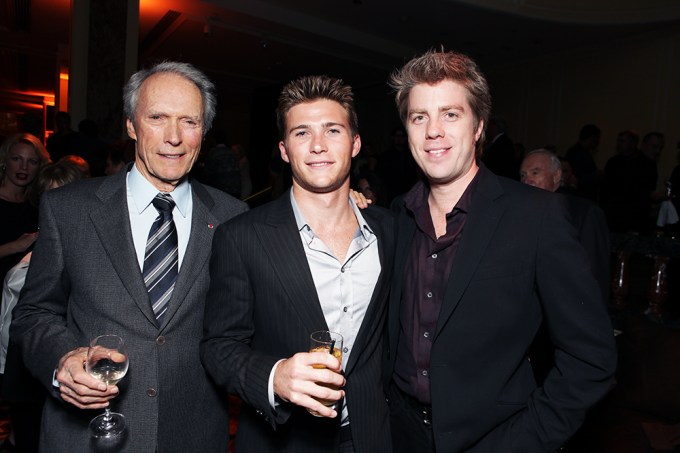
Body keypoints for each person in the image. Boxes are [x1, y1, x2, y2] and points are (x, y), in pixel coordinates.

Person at [384, 50, 616, 453]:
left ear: (478, 127)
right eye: (419, 117)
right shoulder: (397, 216)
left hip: (495, 438)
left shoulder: (535, 217)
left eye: (451, 114)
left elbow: (591, 359)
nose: (432, 131)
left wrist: (523, 441)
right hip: (398, 434)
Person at [11, 61, 248, 452]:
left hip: (191, 435)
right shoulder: (69, 209)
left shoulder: (232, 218)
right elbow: (34, 313)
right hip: (84, 435)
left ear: (203, 133)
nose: (174, 137)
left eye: (189, 121)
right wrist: (61, 361)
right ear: (132, 125)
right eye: (157, 117)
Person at [201, 75, 394, 452]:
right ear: (285, 150)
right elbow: (219, 346)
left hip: (375, 437)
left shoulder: (391, 230)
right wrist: (274, 378)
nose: (318, 145)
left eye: (333, 130)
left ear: (355, 144)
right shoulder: (241, 236)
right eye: (302, 133)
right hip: (285, 441)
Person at [1, 161, 83, 453]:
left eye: (65, 195)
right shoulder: (29, 250)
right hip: (27, 367)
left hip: (75, 369)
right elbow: (14, 318)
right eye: (51, 197)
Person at [0, 133, 50, 283]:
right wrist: (15, 246)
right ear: (4, 162)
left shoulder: (38, 204)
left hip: (24, 292)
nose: (24, 167)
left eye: (32, 161)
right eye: (17, 159)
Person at [565, 124, 602, 201]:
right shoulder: (575, 153)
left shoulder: (582, 152)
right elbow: (578, 177)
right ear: (593, 138)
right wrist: (595, 175)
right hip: (580, 197)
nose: (599, 142)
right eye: (598, 138)